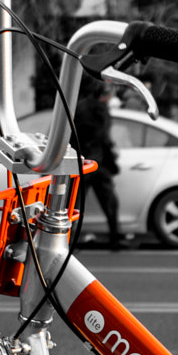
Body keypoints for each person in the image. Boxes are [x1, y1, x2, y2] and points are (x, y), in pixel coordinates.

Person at [72, 80, 126, 251]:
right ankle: (115, 239)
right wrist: (111, 158)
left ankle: (68, 242)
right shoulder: (100, 109)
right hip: (98, 162)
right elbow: (103, 136)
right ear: (104, 95)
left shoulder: (78, 107)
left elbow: (71, 134)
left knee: (75, 205)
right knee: (109, 202)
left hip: (80, 161)